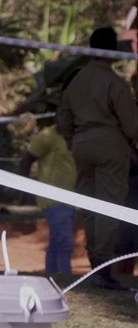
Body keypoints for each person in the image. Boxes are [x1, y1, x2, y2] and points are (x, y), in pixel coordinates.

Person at [58, 26, 138, 289]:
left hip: (81, 144)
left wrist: (74, 142)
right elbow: (132, 127)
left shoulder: (76, 80)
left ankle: (95, 261)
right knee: (109, 204)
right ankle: (103, 265)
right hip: (110, 145)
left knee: (89, 203)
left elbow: (63, 120)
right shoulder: (114, 82)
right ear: (111, 51)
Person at [20, 124, 77, 273]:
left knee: (56, 242)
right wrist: (24, 189)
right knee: (65, 242)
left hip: (72, 199)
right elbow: (26, 160)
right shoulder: (47, 136)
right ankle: (65, 279)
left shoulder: (78, 134)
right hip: (54, 199)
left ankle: (51, 276)